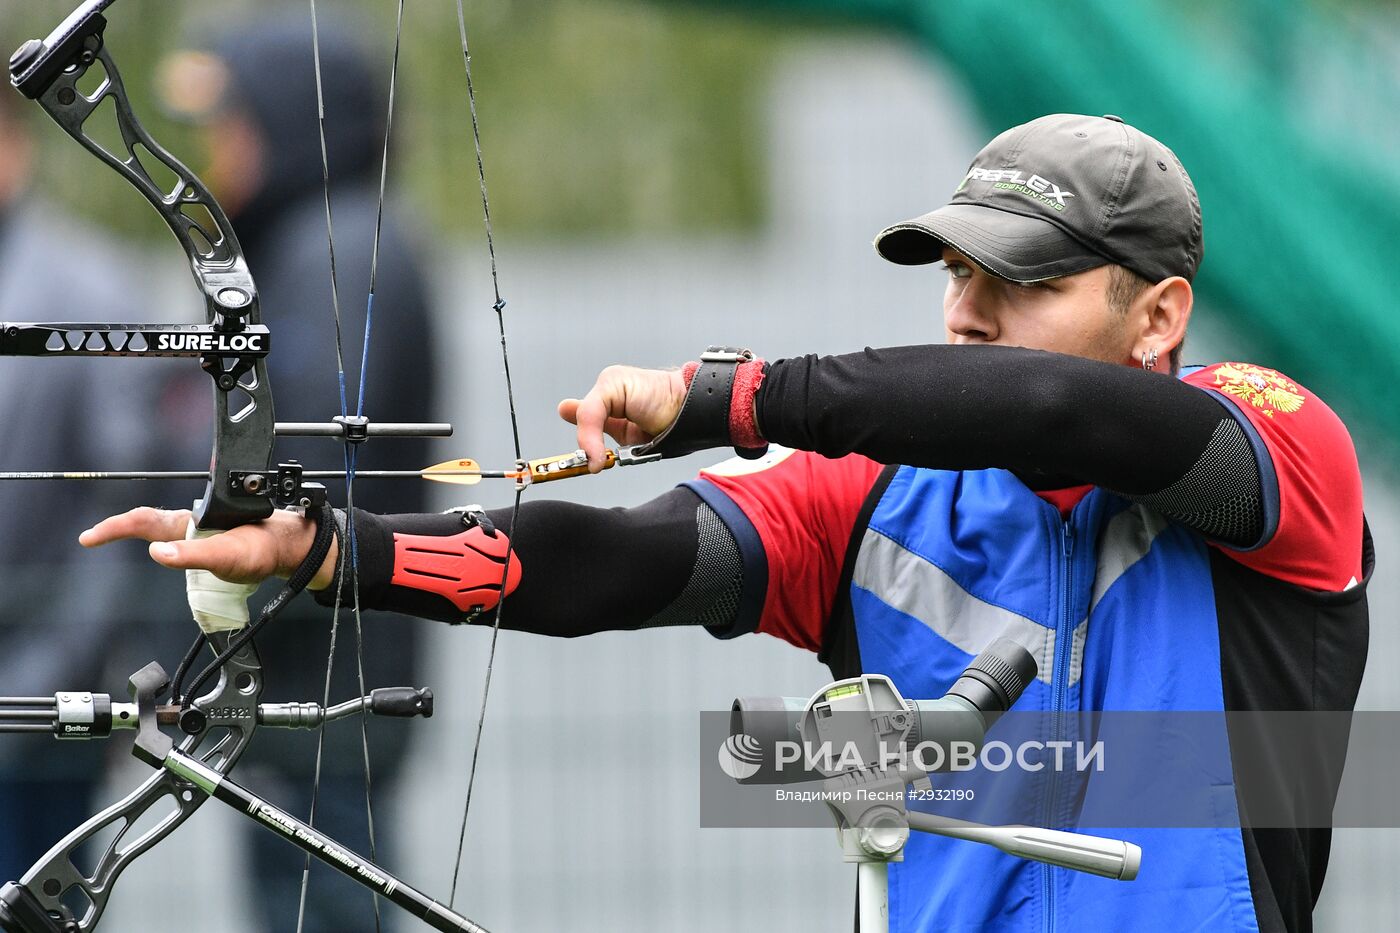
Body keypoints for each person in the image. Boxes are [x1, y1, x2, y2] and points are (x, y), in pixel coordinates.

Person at [83, 114, 1369, 933]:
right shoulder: (871, 502)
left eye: (1023, 278)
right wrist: (322, 549)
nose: (969, 311)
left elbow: (1053, 409)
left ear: (1157, 316)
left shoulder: (1270, 450)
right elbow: (620, 562)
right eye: (959, 274)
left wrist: (724, 398)